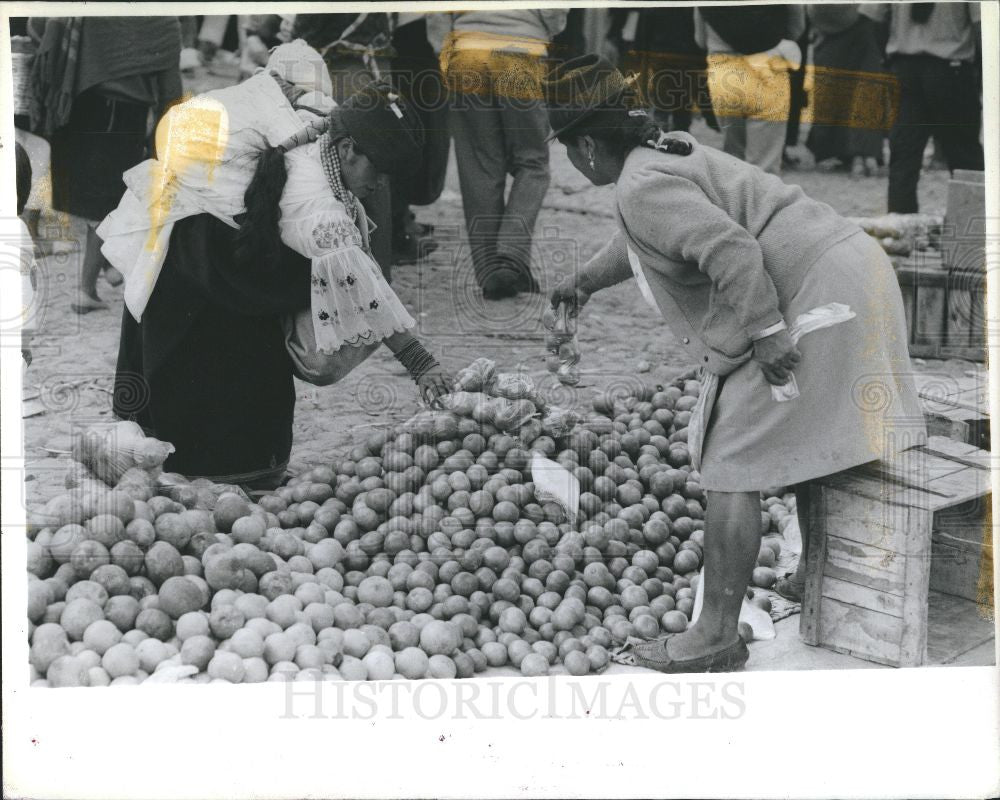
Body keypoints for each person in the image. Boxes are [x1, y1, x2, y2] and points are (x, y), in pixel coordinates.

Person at [545, 55, 924, 672]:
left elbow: (728, 248)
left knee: (729, 458)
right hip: (847, 268)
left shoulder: (641, 184)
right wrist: (583, 282)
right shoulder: (657, 161)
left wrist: (767, 331)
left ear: (585, 146)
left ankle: (715, 633)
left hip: (815, 291)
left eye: (565, 147)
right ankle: (817, 574)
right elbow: (657, 236)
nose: (568, 157)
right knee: (819, 434)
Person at [103, 45, 450, 489]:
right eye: (378, 172)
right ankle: (214, 466)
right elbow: (365, 288)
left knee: (247, 340)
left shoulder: (322, 129)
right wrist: (421, 361)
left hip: (219, 242)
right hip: (195, 248)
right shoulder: (317, 206)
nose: (380, 185)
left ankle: (236, 462)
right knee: (212, 350)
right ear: (347, 150)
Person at [28, 15, 182, 313]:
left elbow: (37, 25)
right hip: (122, 116)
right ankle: (85, 291)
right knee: (110, 204)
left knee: (95, 196)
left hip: (75, 107)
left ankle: (108, 266)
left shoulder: (89, 13)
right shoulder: (161, 21)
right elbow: (170, 91)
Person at [434, 9, 568, 299]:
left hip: (467, 51)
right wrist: (549, 29)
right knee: (532, 161)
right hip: (520, 49)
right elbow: (554, 10)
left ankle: (491, 272)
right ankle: (511, 256)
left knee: (479, 165)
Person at [293, 12, 397, 279]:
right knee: (369, 178)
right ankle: (375, 278)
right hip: (372, 64)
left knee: (343, 175)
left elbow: (309, 26)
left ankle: (358, 281)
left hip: (341, 68)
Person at [860, 2, 984, 213]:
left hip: (905, 66)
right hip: (950, 67)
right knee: (964, 154)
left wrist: (889, 57)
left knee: (904, 153)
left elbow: (873, 17)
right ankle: (971, 226)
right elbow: (981, 24)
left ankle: (901, 227)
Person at [694, 4, 806, 175]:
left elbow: (700, 40)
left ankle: (734, 200)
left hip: (725, 72)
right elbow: (797, 28)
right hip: (769, 69)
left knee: (733, 160)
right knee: (765, 166)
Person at [805, 5, 892, 178]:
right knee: (867, 91)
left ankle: (843, 153)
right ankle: (865, 155)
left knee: (833, 91)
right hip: (866, 25)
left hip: (832, 30)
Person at [389, 12, 449, 265]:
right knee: (409, 139)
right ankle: (396, 231)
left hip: (412, 49)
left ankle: (402, 219)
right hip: (410, 51)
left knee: (419, 138)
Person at [605, 2, 717, 133]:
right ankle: (681, 136)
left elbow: (644, 28)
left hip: (661, 58)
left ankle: (660, 138)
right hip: (686, 58)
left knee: (661, 104)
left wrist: (639, 54)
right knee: (682, 106)